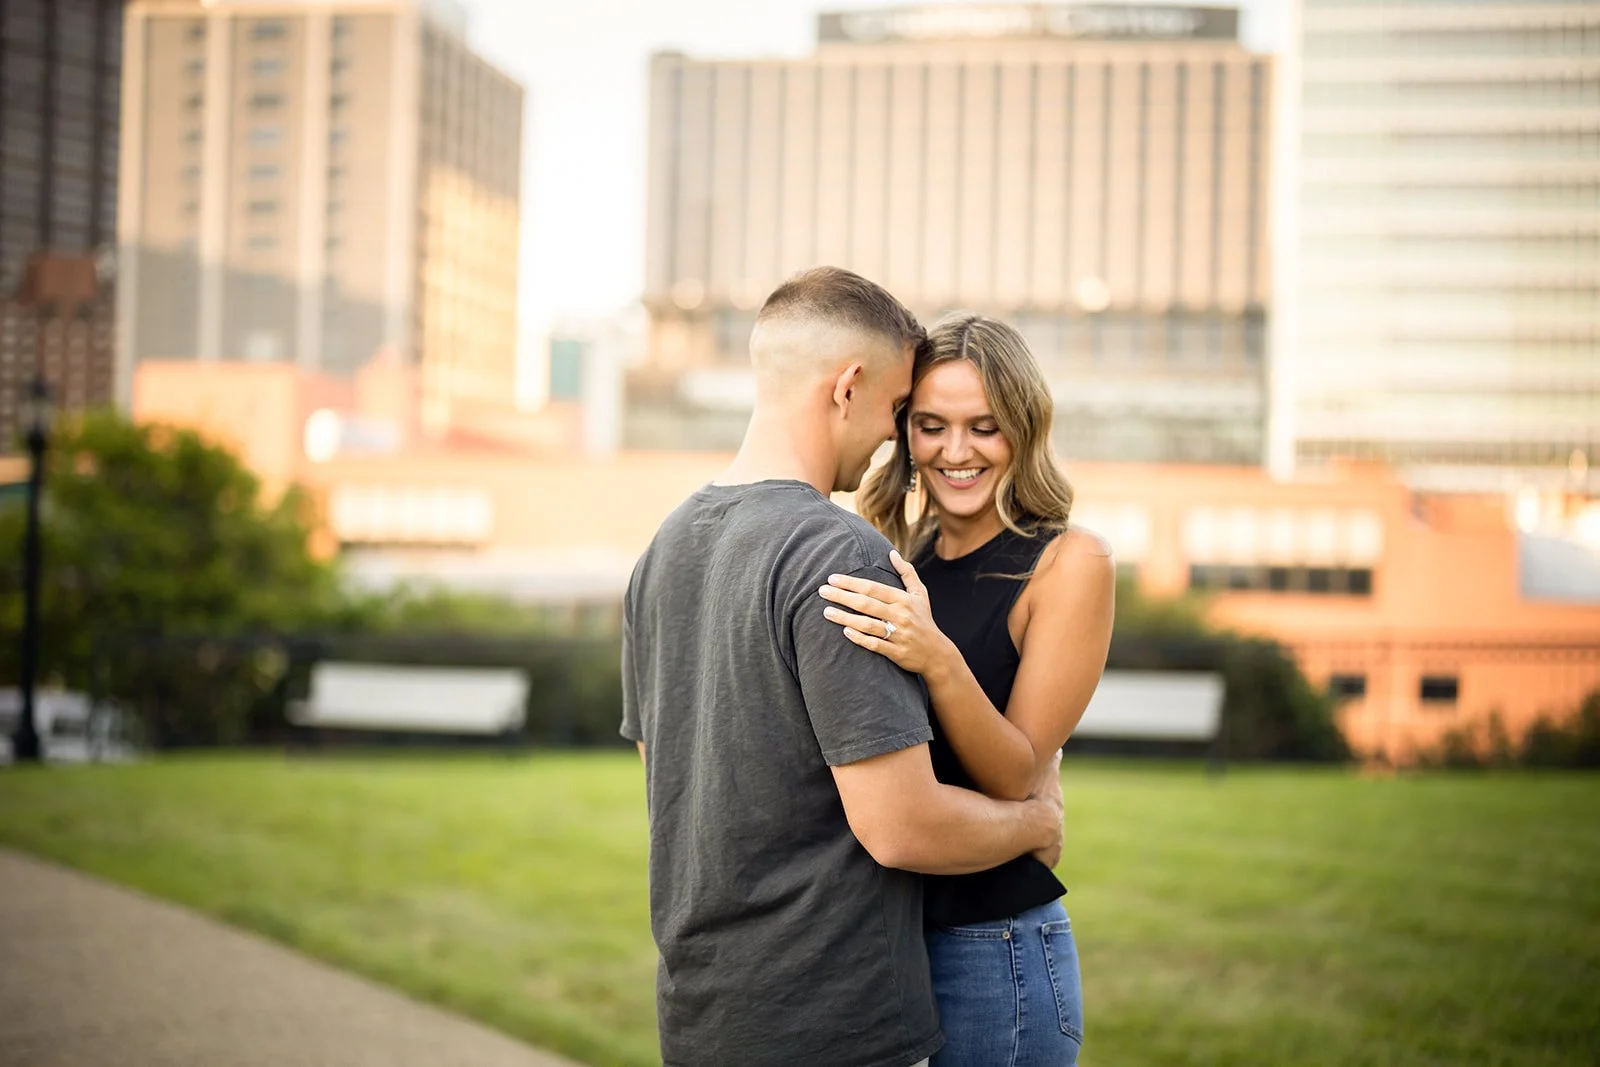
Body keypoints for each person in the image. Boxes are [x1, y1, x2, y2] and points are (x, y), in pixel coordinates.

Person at [621, 270, 1067, 1067]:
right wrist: (1032, 822)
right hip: (828, 1022)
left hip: (700, 1016)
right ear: (848, 387)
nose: (897, 440)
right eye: (902, 411)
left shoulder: (663, 548)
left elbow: (668, 784)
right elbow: (901, 826)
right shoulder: (841, 552)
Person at [820, 312, 1115, 1066]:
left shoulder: (1068, 564)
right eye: (931, 425)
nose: (956, 451)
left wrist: (937, 657)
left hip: (996, 947)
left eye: (984, 426)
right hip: (886, 943)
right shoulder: (897, 558)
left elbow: (1017, 771)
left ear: (1023, 428)